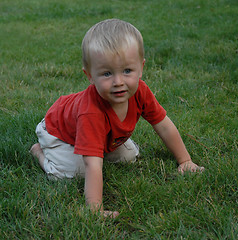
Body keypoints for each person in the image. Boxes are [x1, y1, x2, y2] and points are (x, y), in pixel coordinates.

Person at [30, 19, 204, 218]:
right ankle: (40, 153)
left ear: (141, 67)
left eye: (127, 71)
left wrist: (185, 161)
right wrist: (95, 209)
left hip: (92, 132)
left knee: (128, 156)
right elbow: (93, 164)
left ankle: (97, 144)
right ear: (89, 76)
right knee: (75, 172)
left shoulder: (141, 92)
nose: (118, 82)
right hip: (58, 132)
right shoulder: (91, 112)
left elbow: (163, 125)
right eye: (106, 74)